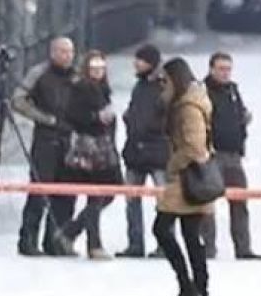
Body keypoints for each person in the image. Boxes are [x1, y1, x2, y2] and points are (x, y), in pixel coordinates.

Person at [152, 58, 214, 296]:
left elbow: (195, 147)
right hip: (189, 177)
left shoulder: (188, 107)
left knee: (162, 229)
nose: (162, 86)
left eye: (165, 81)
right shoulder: (186, 102)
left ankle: (190, 287)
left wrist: (173, 166)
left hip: (187, 178)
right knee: (190, 236)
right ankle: (198, 291)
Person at [12, 36, 78, 256]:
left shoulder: (77, 77)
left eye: (70, 52)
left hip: (70, 140)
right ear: (52, 52)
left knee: (67, 194)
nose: (67, 56)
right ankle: (28, 240)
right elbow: (18, 100)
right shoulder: (39, 73)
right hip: (45, 139)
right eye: (62, 51)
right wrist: (42, 118)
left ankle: (55, 241)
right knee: (39, 191)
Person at [55, 51, 122, 259]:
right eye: (94, 68)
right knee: (98, 193)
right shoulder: (82, 87)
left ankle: (71, 232)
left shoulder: (101, 88)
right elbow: (73, 115)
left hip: (102, 147)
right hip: (89, 148)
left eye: (101, 68)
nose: (98, 72)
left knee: (104, 193)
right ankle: (90, 243)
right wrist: (97, 118)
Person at [201, 52, 261, 261]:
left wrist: (243, 121)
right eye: (221, 69)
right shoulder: (202, 91)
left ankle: (243, 248)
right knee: (208, 204)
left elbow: (239, 112)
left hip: (233, 154)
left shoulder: (233, 90)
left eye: (228, 69)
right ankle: (208, 248)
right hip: (212, 154)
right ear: (211, 69)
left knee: (240, 202)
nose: (225, 73)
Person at [117, 44, 170, 258]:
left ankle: (165, 245)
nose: (136, 64)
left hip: (158, 152)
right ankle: (135, 243)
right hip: (136, 151)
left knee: (164, 202)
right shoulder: (139, 87)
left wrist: (151, 128)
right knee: (131, 200)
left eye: (140, 60)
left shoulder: (166, 87)